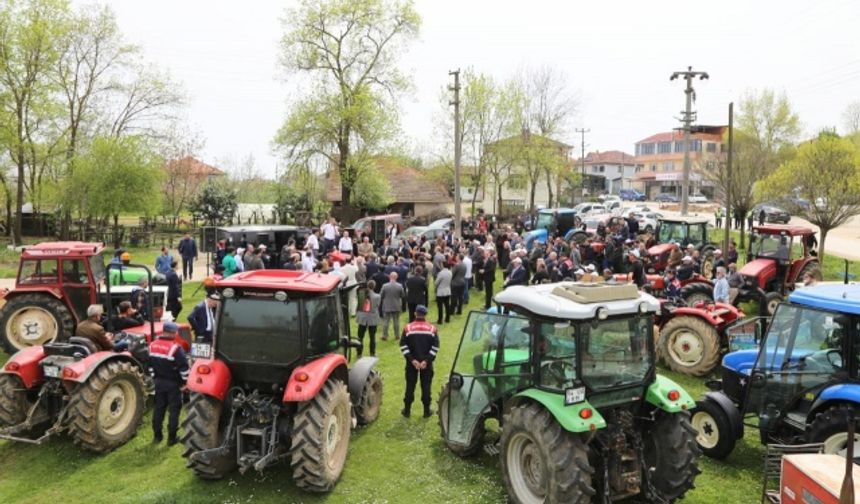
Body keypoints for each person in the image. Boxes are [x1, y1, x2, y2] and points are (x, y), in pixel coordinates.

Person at [149, 321, 190, 445]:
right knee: (174, 410)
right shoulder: (176, 348)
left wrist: (154, 378)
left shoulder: (152, 345)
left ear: (163, 331)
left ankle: (157, 436)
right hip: (173, 384)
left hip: (158, 382)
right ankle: (171, 439)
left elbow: (150, 366)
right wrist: (184, 383)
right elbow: (184, 368)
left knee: (159, 408)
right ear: (174, 333)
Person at [399, 305, 439, 418]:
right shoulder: (432, 329)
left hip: (412, 364)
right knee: (426, 386)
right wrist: (426, 361)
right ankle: (426, 411)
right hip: (427, 364)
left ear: (415, 313)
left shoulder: (408, 328)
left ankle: (407, 411)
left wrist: (412, 360)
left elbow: (403, 345)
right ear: (425, 315)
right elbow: (435, 347)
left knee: (410, 386)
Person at [356, 280, 381, 357]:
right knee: (372, 336)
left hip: (362, 317)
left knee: (360, 336)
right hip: (372, 318)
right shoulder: (377, 296)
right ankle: (372, 353)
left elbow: (359, 306)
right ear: (374, 286)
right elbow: (377, 306)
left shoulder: (361, 294)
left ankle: (359, 353)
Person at [380, 272, 404, 341]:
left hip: (387, 305)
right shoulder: (399, 286)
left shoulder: (385, 286)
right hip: (396, 305)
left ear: (389, 277)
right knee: (396, 321)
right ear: (396, 277)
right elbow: (402, 295)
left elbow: (381, 295)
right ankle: (397, 336)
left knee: (386, 321)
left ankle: (384, 335)